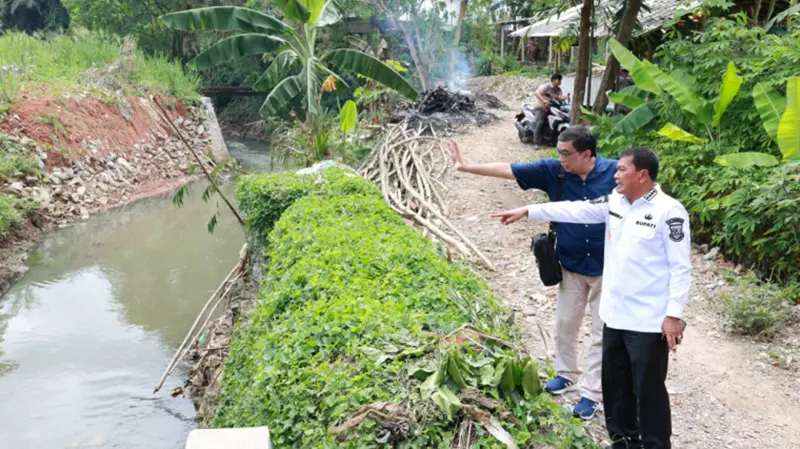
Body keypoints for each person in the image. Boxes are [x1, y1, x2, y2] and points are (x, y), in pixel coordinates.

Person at [491, 147, 691, 449]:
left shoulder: (669, 211)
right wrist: (529, 211)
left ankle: (655, 444)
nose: (615, 174)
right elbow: (574, 209)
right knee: (616, 386)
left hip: (648, 322)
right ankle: (623, 441)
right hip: (614, 315)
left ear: (643, 175)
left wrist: (673, 315)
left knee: (647, 390)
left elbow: (680, 267)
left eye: (622, 169)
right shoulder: (615, 203)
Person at [449, 125, 616, 420]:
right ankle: (566, 374)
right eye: (558, 152)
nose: (560, 158)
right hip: (571, 264)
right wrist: (465, 167)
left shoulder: (615, 173)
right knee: (565, 323)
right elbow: (509, 168)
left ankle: (592, 393)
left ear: (587, 154)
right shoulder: (555, 171)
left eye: (566, 153)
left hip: (609, 267)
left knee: (602, 333)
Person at [532, 73, 571, 148]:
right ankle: (536, 143)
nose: (560, 82)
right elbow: (537, 93)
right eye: (559, 80)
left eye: (560, 80)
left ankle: (552, 140)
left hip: (552, 108)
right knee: (540, 122)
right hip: (541, 108)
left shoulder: (558, 89)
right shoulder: (546, 86)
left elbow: (560, 97)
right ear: (553, 80)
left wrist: (565, 97)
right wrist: (544, 100)